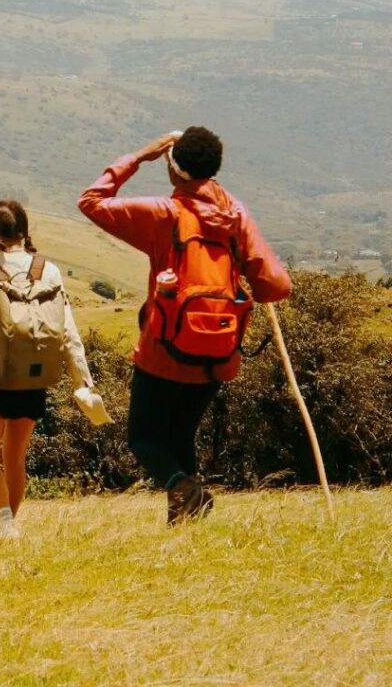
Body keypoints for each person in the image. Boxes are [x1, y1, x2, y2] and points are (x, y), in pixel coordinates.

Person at [77, 127, 292, 523]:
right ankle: (185, 520)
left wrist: (140, 156)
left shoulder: (163, 214)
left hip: (164, 350)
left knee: (143, 438)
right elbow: (277, 285)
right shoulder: (235, 214)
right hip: (217, 355)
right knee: (180, 436)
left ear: (173, 169)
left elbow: (91, 201)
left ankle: (182, 487)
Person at [0, 200, 95, 539]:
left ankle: (5, 524)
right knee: (15, 458)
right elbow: (68, 330)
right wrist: (83, 381)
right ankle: (9, 527)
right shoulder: (51, 271)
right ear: (25, 232)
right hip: (35, 374)